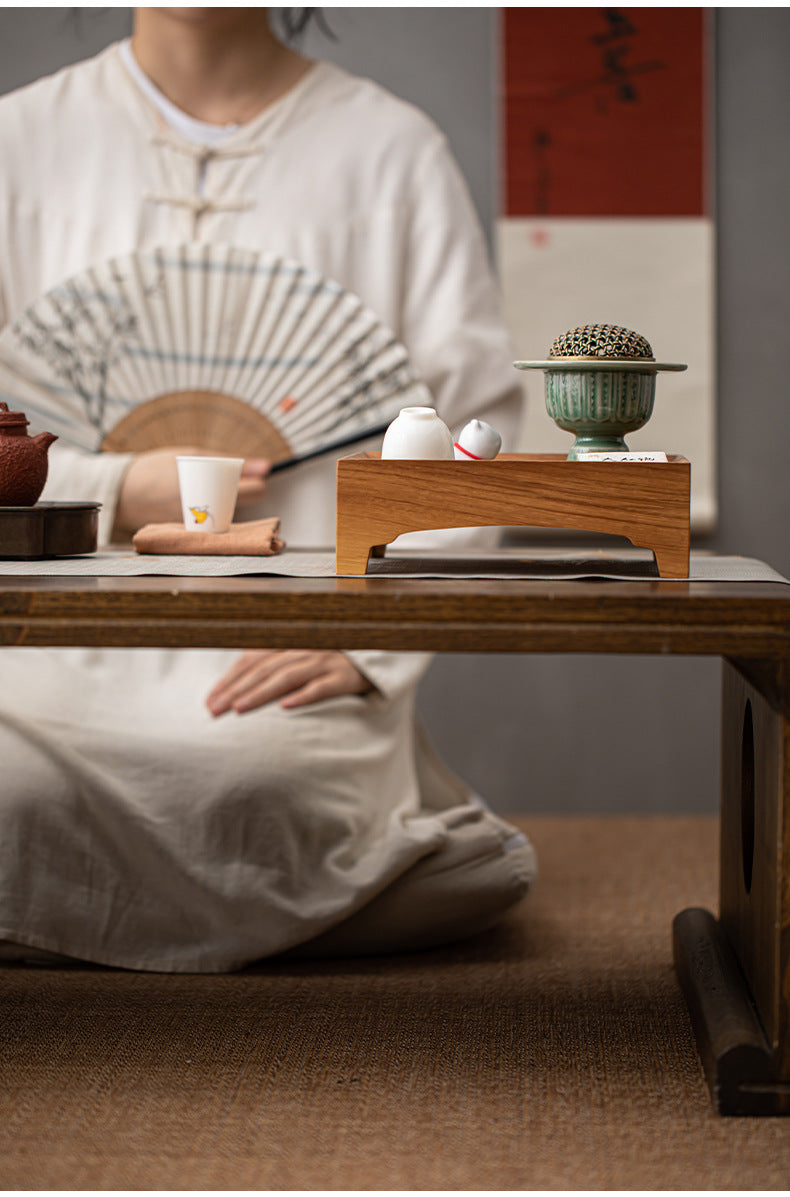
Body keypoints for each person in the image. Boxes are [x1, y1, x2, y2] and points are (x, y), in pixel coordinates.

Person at [0, 8, 536, 972]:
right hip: (60, 635)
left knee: (251, 784)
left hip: (293, 630)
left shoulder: (392, 151)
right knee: (13, 783)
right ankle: (317, 908)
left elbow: (478, 437)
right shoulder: (19, 139)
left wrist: (368, 634)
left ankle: (77, 917)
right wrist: (117, 485)